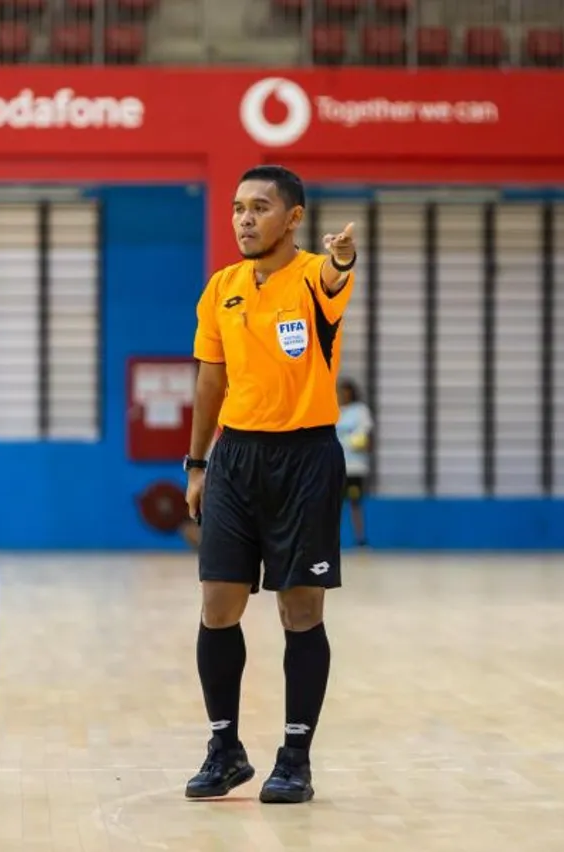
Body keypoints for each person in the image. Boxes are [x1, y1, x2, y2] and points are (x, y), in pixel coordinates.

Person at [183, 164, 358, 805]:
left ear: (293, 218)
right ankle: (225, 749)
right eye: (238, 207)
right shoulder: (221, 288)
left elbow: (337, 276)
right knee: (218, 604)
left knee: (300, 610)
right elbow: (210, 380)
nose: (245, 219)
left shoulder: (314, 276)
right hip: (234, 459)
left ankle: (295, 758)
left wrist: (344, 257)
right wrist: (197, 464)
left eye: (260, 207)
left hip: (306, 457)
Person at [335, 379, 374, 547]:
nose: (343, 395)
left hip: (354, 467)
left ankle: (360, 539)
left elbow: (367, 439)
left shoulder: (360, 411)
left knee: (355, 504)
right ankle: (331, 540)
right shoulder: (332, 410)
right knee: (333, 505)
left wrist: (360, 443)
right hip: (335, 466)